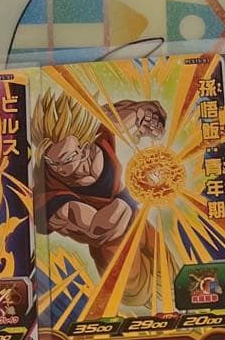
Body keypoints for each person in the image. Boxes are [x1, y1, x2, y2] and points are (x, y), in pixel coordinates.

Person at [31, 89, 168, 307]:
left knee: (172, 271)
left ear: (84, 146)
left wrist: (145, 113)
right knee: (142, 297)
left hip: (137, 222)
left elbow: (128, 113)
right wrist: (133, 193)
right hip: (114, 251)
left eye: (67, 158)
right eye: (53, 163)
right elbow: (101, 228)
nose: (60, 168)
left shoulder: (97, 135)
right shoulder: (53, 199)